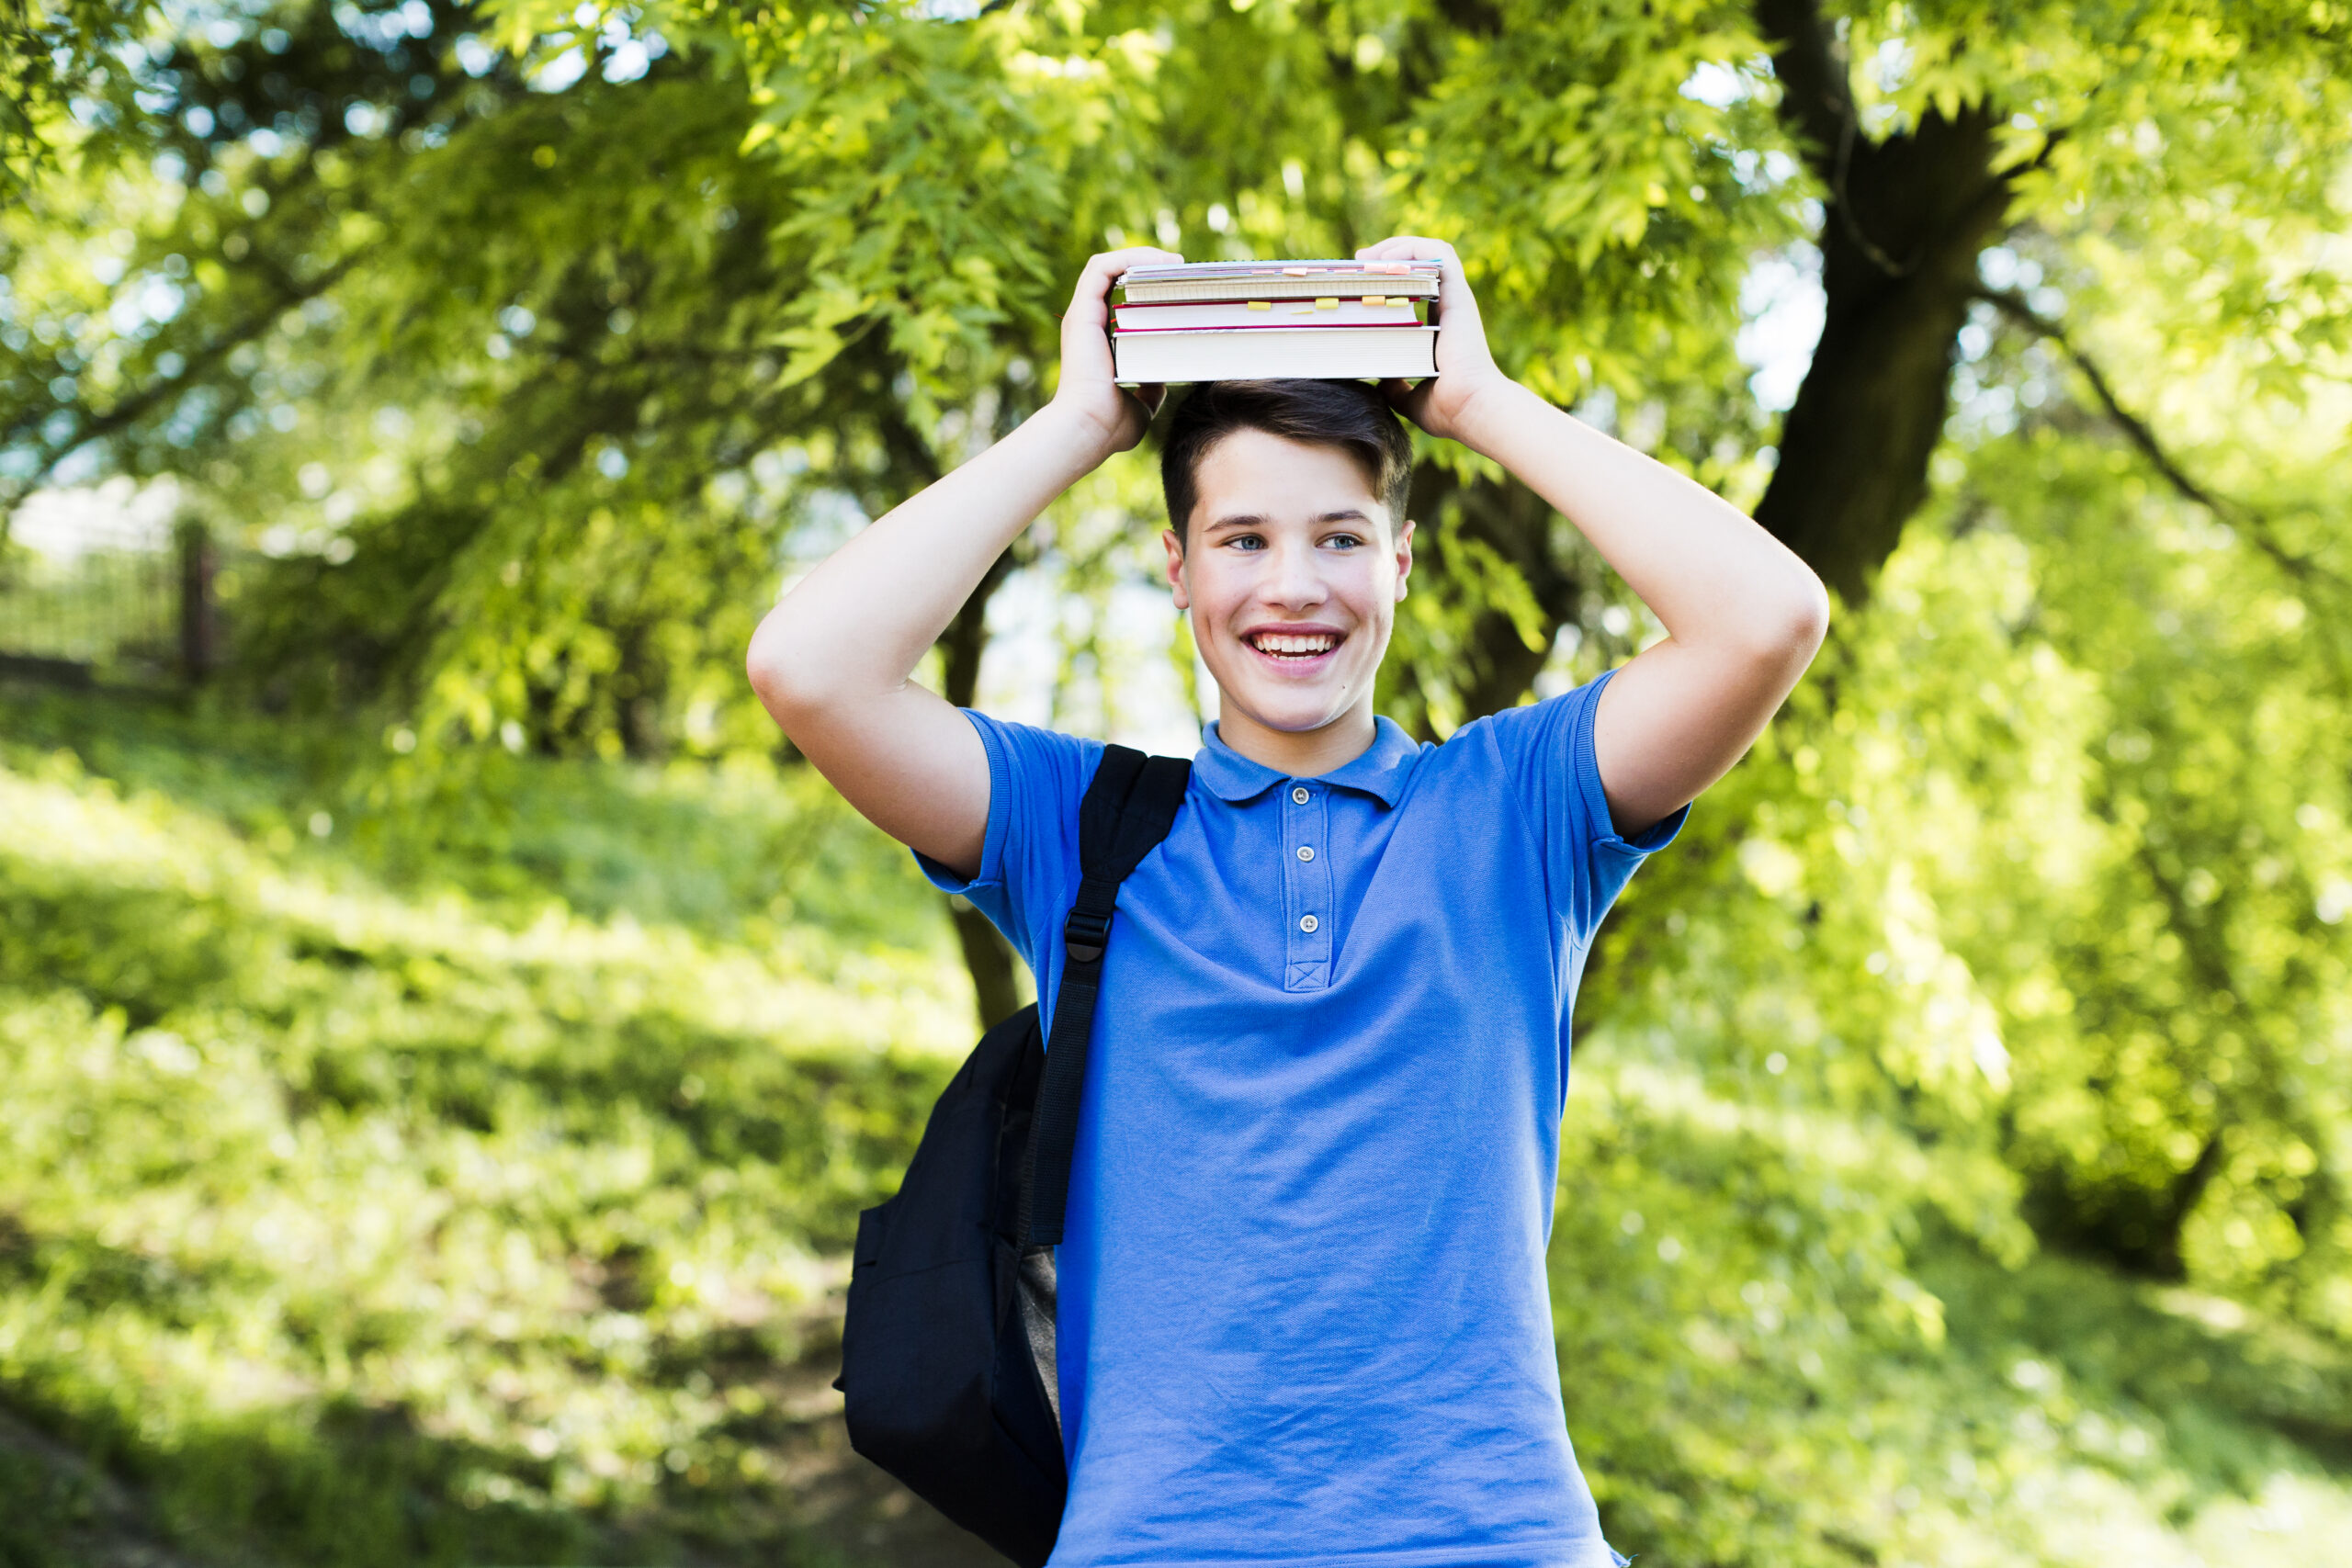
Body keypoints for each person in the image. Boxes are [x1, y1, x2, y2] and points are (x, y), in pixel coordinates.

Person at [747, 237, 1828, 1568]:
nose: (1294, 585)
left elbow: (1768, 616)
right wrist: (1082, 421)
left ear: (1404, 563)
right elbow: (807, 666)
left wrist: (1476, 401)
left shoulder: (1517, 812)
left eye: (1341, 537)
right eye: (1242, 539)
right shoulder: (1074, 828)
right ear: (1178, 567)